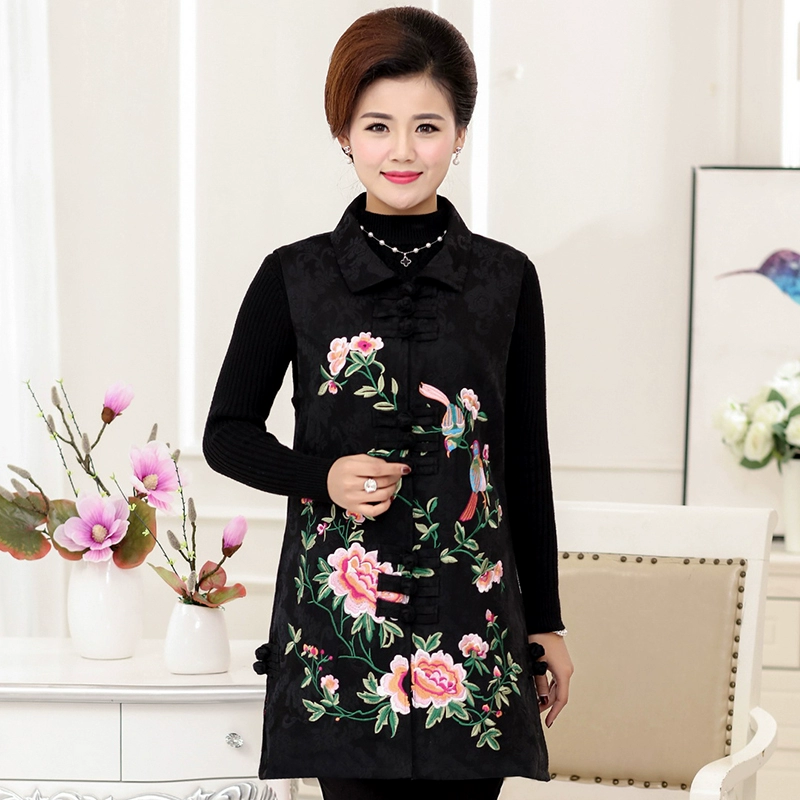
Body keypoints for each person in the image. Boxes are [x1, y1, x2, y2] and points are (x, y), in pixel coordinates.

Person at [203, 7, 573, 800]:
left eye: (426, 127)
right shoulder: (293, 278)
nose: (402, 151)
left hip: (474, 630)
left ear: (460, 133)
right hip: (342, 633)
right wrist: (321, 476)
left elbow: (523, 462)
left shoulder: (507, 281)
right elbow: (226, 433)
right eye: (377, 126)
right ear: (344, 133)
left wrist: (546, 622)